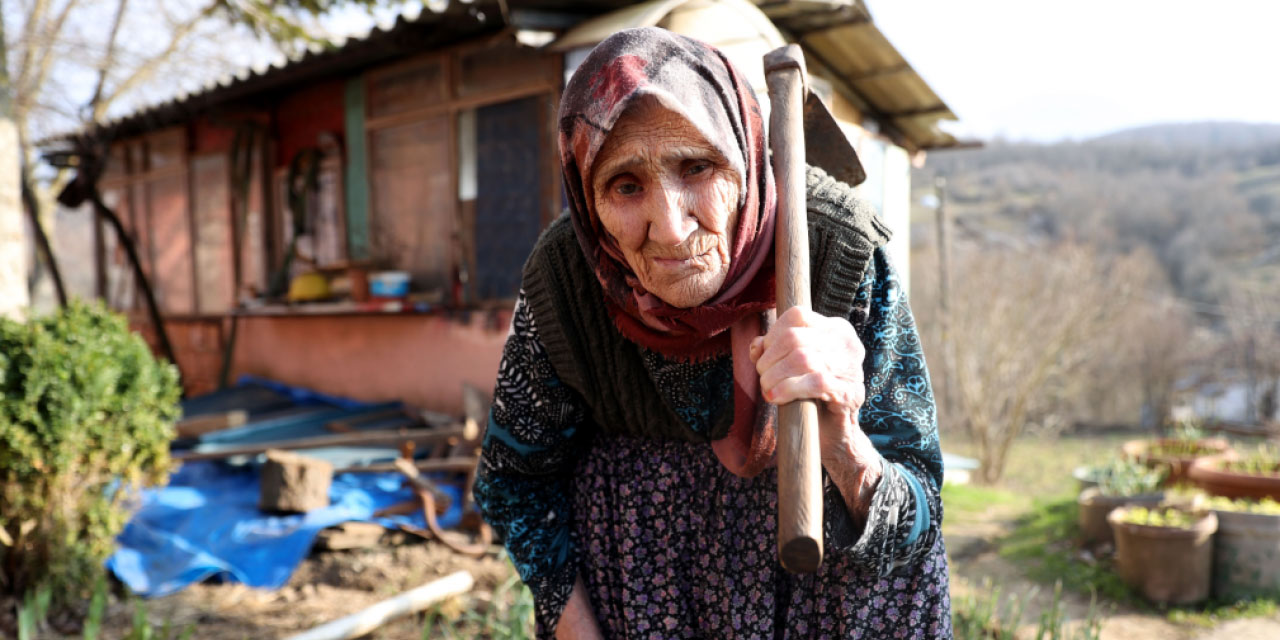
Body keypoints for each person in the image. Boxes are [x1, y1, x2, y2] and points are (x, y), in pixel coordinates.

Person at [475, 26, 950, 640]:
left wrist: (843, 444)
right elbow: (515, 481)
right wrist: (578, 629)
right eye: (625, 185)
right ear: (588, 199)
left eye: (697, 166)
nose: (670, 229)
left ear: (747, 159)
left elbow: (921, 520)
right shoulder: (568, 276)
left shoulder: (838, 251)